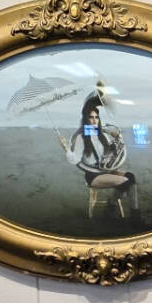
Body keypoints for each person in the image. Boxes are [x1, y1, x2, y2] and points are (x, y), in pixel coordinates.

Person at [64, 90, 140, 222]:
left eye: (96, 117)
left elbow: (110, 152)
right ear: (86, 119)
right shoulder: (82, 137)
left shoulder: (101, 134)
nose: (94, 120)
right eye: (91, 117)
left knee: (131, 177)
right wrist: (66, 149)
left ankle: (110, 208)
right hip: (94, 176)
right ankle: (134, 218)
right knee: (126, 183)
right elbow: (75, 160)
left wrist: (117, 139)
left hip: (105, 170)